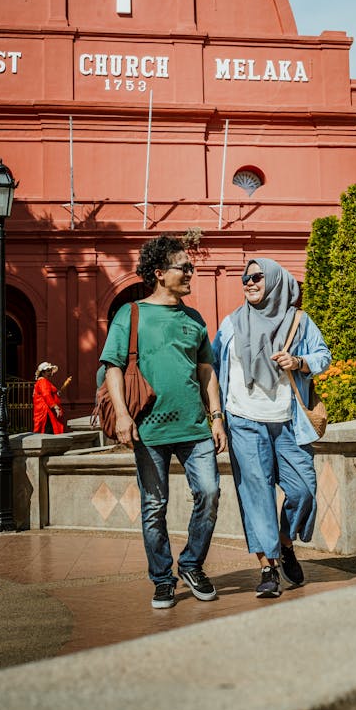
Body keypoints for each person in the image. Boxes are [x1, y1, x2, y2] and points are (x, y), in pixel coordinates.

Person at [100, 235, 227, 610]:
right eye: (184, 267)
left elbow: (207, 371)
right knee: (155, 505)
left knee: (210, 492)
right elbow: (112, 368)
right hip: (149, 429)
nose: (191, 272)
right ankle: (162, 578)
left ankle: (191, 564)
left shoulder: (194, 318)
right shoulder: (131, 314)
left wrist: (216, 417)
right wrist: (122, 414)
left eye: (191, 267)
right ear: (159, 273)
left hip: (195, 427)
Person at [213, 258, 331, 599]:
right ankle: (268, 567)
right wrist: (216, 416)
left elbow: (323, 355)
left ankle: (284, 540)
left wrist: (300, 362)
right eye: (245, 278)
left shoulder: (299, 320)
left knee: (303, 491)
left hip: (289, 420)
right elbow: (213, 366)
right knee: (257, 495)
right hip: (243, 420)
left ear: (276, 281)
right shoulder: (231, 323)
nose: (249, 282)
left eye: (257, 277)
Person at [33, 362, 70, 434]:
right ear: (43, 373)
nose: (50, 372)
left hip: (47, 410)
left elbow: (48, 394)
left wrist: (56, 394)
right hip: (46, 411)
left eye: (50, 370)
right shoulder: (43, 381)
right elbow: (46, 395)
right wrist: (55, 407)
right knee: (48, 431)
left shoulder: (43, 381)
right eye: (48, 371)